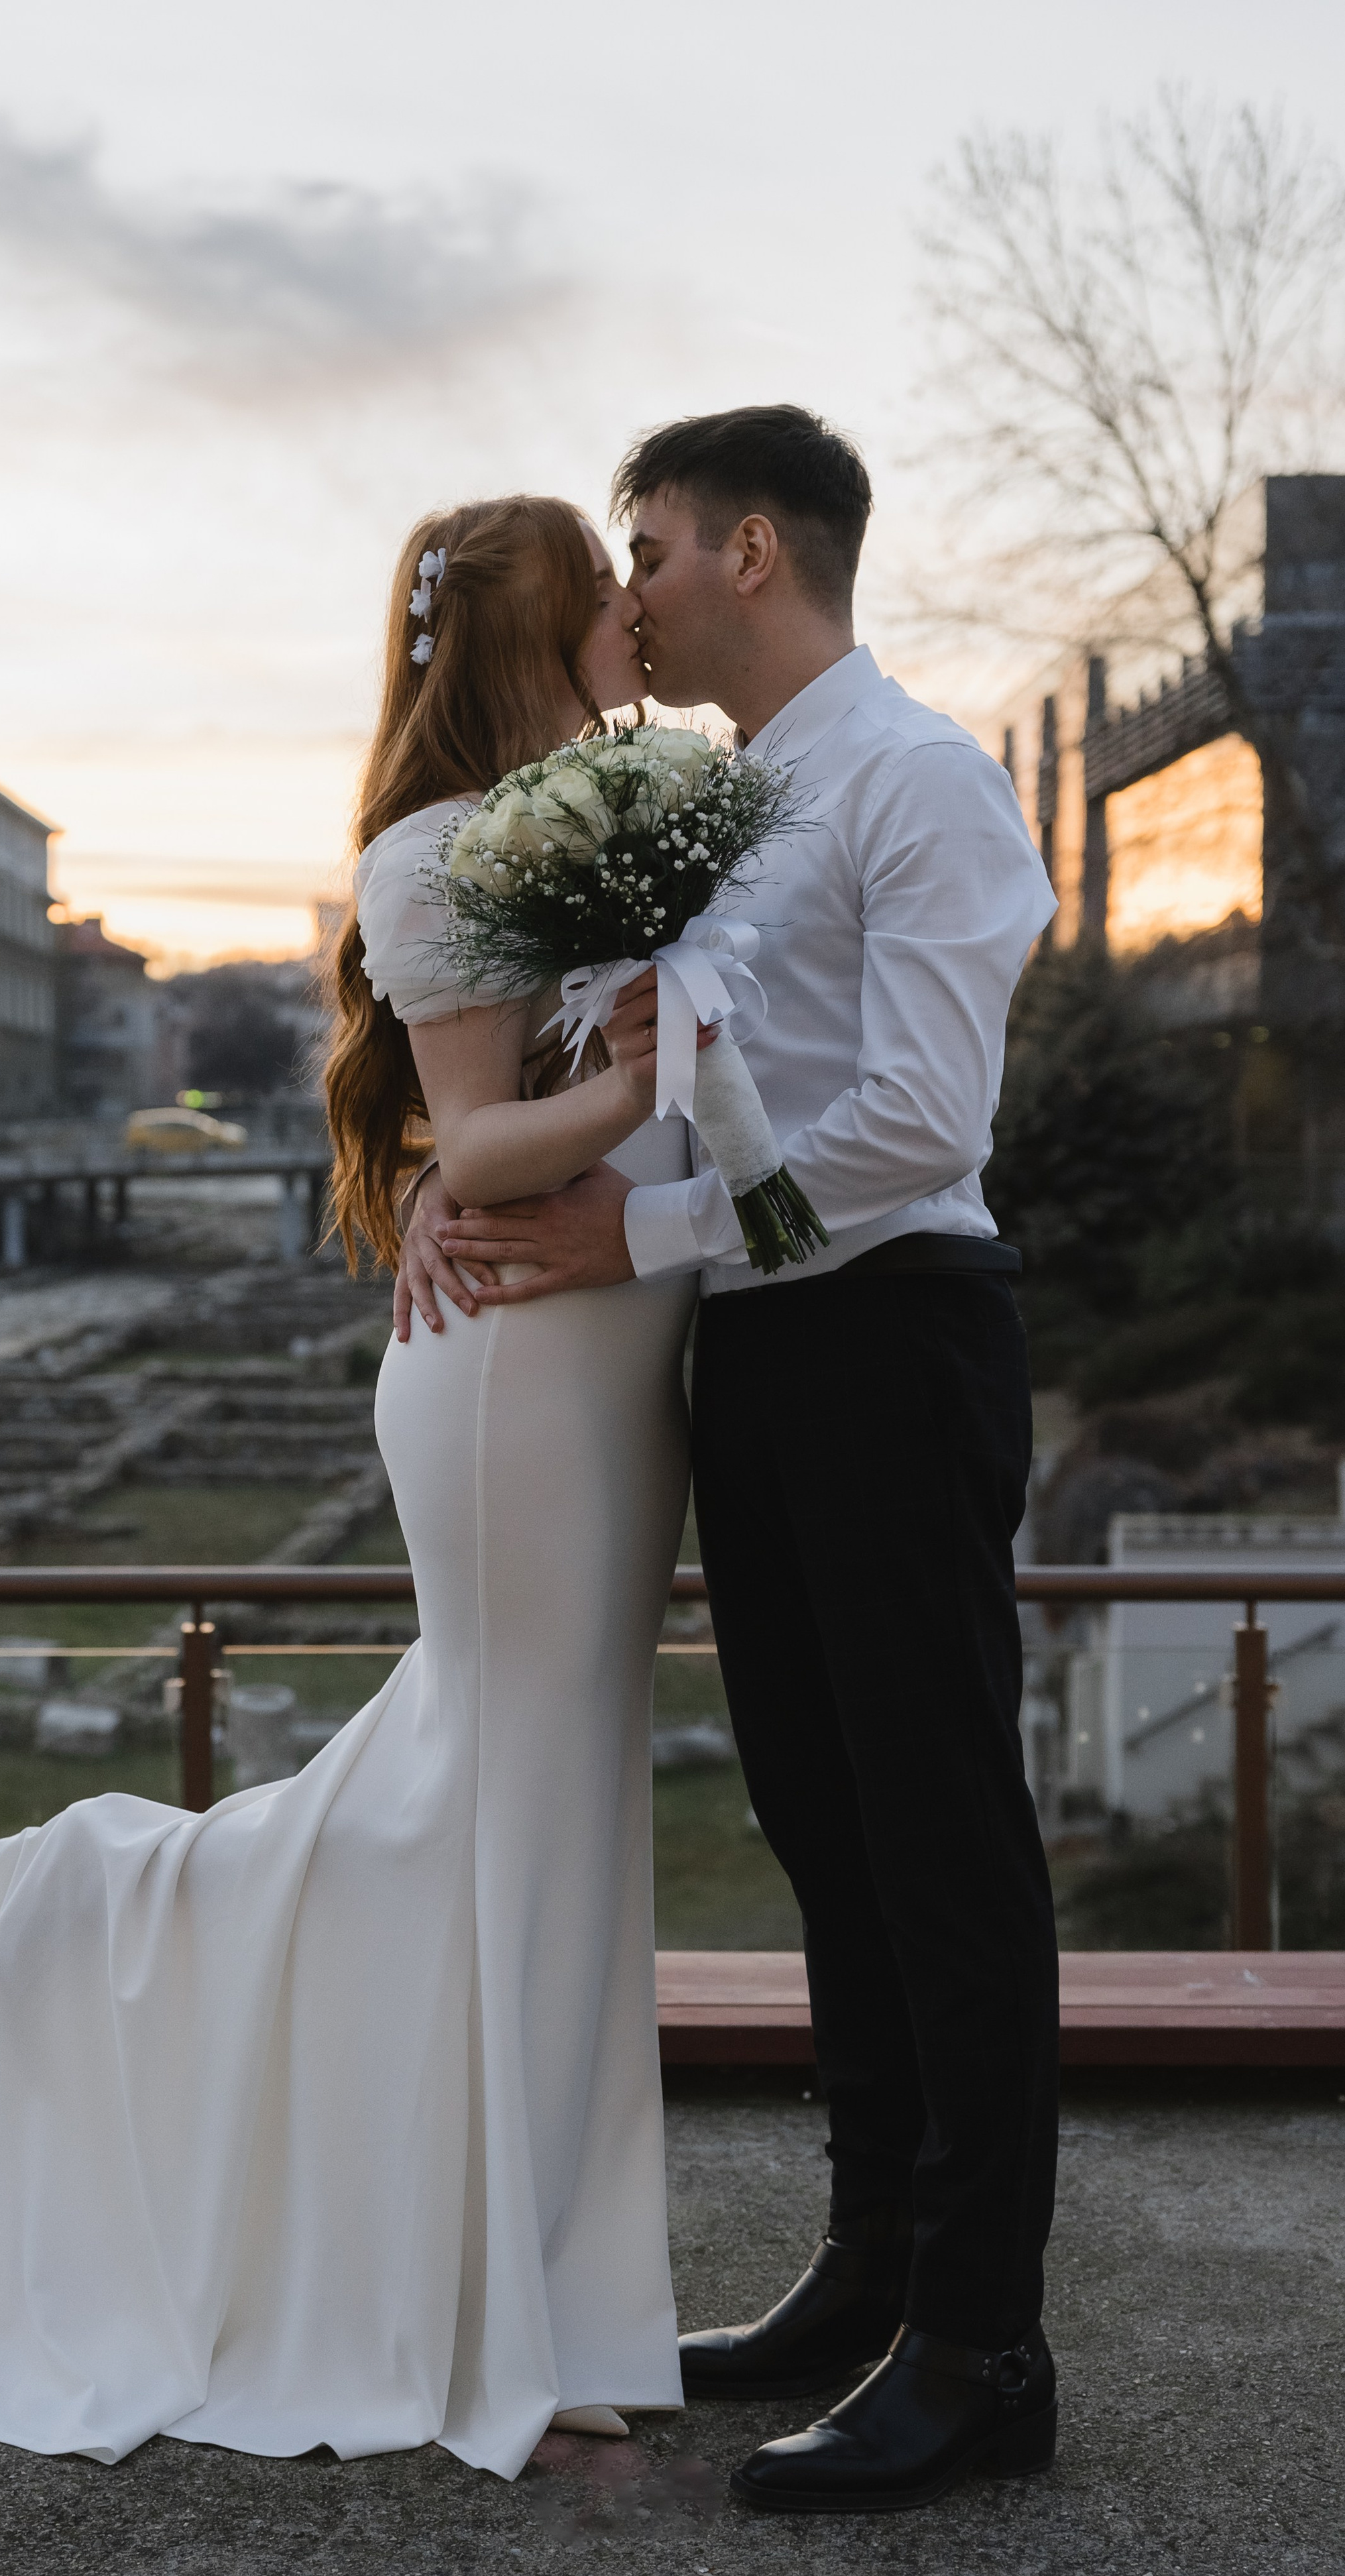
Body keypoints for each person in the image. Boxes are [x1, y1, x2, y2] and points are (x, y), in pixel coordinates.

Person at [0, 494, 707, 2483]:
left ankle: (540, 2286)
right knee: (488, 1791)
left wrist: (645, 1079)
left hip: (609, 1364)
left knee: (555, 1807)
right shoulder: (441, 851)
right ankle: (98, 1919)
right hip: (519, 1368)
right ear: (529, 634)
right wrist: (622, 1085)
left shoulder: (614, 817)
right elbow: (483, 1135)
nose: (632, 613)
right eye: (596, 594)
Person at [401, 406, 1063, 2516]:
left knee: (940, 1835)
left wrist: (638, 1232)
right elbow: (651, 1075)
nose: (638, 590)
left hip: (890, 1343)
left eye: (658, 549)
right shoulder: (724, 804)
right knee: (821, 1821)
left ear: (755, 550)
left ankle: (980, 2341)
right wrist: (460, 1175)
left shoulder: (921, 782)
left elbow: (916, 1123)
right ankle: (867, 2267)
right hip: (758, 1359)